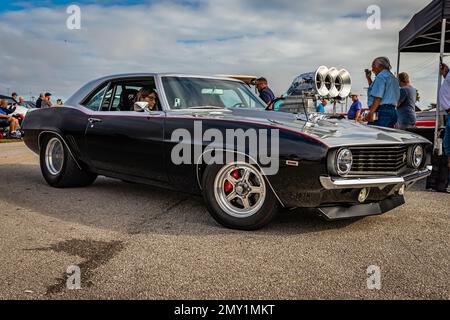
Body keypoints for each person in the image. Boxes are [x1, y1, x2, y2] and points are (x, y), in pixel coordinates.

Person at [366, 57, 400, 128]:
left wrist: (371, 112)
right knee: (386, 136)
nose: (372, 70)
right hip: (392, 111)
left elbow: (378, 97)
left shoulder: (380, 77)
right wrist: (369, 78)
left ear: (380, 66)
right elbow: (377, 89)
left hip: (382, 112)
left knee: (374, 134)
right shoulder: (393, 78)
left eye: (373, 67)